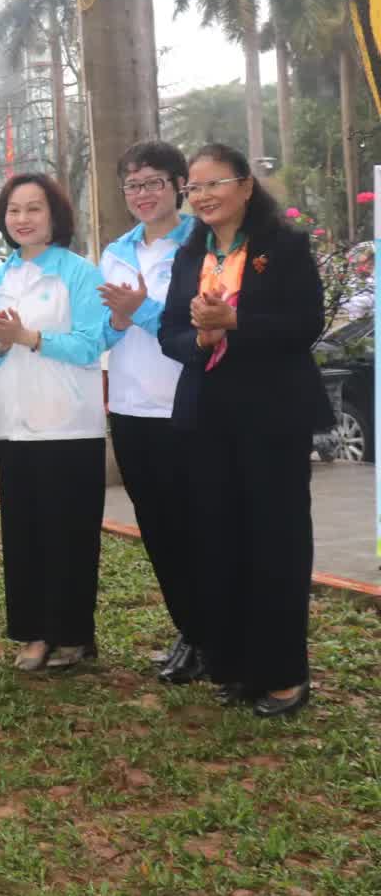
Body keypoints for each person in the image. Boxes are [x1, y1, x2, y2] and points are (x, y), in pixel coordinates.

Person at [159, 144, 330, 717]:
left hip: (273, 418)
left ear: (247, 186)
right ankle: (235, 666)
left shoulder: (283, 246)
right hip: (208, 419)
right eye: (194, 188)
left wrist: (235, 322)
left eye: (215, 183)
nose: (203, 196)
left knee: (275, 543)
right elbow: (168, 334)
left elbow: (305, 323)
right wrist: (201, 340)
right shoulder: (191, 255)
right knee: (221, 541)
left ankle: (284, 674)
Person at [0, 175, 109, 673]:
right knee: (24, 532)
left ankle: (75, 635)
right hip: (14, 418)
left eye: (34, 209)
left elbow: (89, 343)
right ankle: (34, 633)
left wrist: (28, 336)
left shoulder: (77, 272)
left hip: (68, 422)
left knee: (69, 533)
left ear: (55, 215)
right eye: (14, 210)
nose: (22, 219)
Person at [97, 143, 203, 682]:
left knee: (199, 527)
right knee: (157, 528)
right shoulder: (116, 252)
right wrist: (116, 322)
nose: (141, 195)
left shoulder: (201, 245)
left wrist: (139, 311)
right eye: (132, 185)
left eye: (152, 183)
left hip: (189, 407)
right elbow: (101, 330)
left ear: (180, 184)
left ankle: (215, 633)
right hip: (132, 406)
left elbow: (193, 327)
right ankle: (190, 630)